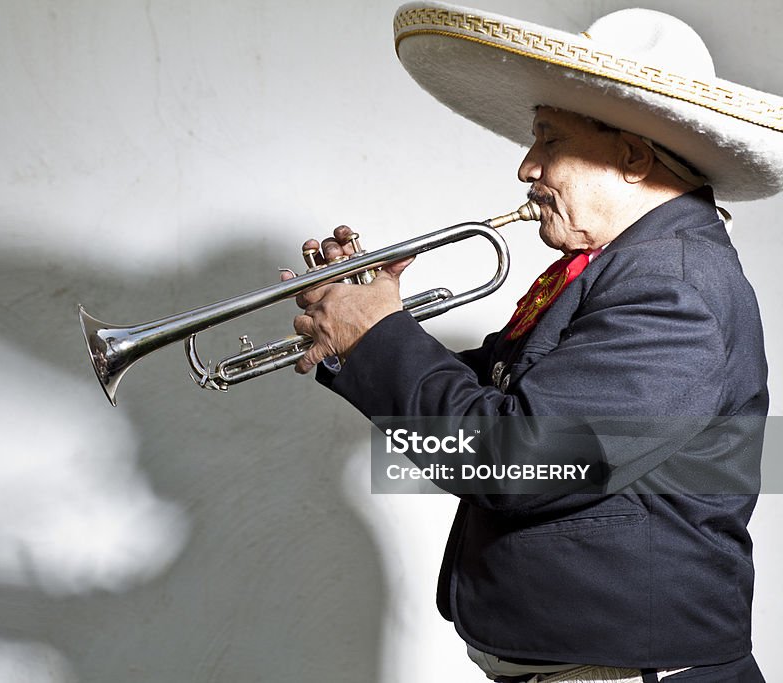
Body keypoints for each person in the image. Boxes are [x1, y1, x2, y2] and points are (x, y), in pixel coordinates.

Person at [285, 5, 783, 682]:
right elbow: (497, 399)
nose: (527, 166)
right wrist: (356, 327)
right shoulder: (627, 268)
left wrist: (378, 334)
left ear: (633, 157)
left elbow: (516, 460)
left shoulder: (674, 285)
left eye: (550, 140)